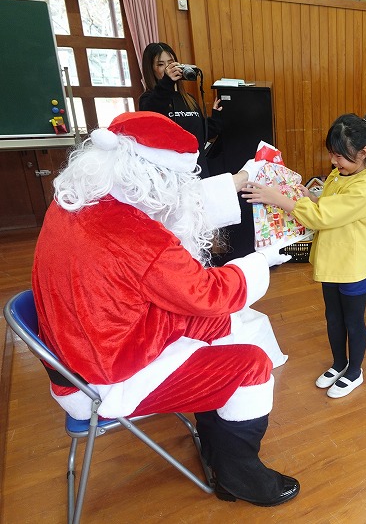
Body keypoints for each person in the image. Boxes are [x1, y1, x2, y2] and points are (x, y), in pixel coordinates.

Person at [32, 111, 299, 507]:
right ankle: (238, 476)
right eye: (178, 180)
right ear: (155, 178)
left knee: (221, 327)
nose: (181, 191)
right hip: (107, 376)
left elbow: (173, 210)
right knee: (252, 364)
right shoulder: (134, 235)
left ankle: (217, 436)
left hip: (78, 353)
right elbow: (207, 292)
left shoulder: (76, 200)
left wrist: (241, 179)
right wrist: (261, 261)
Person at [243, 114, 366, 398]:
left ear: (363, 152)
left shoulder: (365, 187)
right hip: (332, 259)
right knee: (333, 317)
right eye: (332, 153)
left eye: (339, 156)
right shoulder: (339, 174)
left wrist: (279, 199)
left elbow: (322, 216)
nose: (333, 161)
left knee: (353, 321)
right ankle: (339, 363)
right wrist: (306, 194)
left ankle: (355, 371)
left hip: (353, 265)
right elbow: (327, 205)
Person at [139, 42, 222, 179]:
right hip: (171, 177)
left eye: (171, 62)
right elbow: (153, 113)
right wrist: (167, 81)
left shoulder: (188, 99)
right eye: (161, 64)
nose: (168, 68)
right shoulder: (148, 100)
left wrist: (216, 116)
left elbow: (201, 135)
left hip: (198, 172)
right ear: (151, 69)